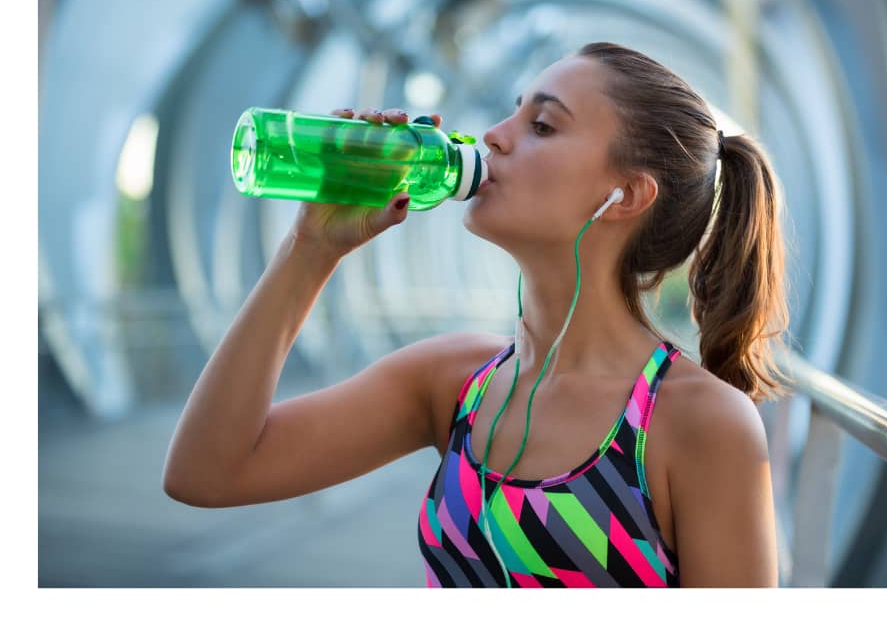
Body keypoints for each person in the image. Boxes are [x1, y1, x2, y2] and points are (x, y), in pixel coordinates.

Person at [163, 41, 795, 588]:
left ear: (625, 195)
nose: (493, 135)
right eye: (513, 111)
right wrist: (311, 250)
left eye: (542, 125)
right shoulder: (453, 382)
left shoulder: (699, 422)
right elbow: (206, 473)